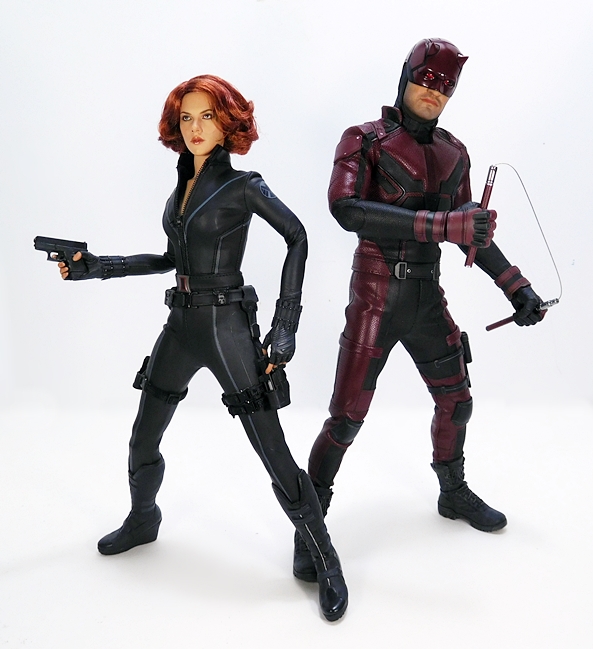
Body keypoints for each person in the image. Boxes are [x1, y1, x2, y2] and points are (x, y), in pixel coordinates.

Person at [56, 75, 347, 622]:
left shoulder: (243, 186)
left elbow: (298, 235)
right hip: (181, 325)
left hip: (227, 326)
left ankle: (324, 557)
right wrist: (99, 267)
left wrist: (286, 323)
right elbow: (171, 260)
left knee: (271, 449)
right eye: (186, 117)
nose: (195, 127)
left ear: (227, 122)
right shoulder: (180, 192)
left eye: (207, 116)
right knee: (144, 434)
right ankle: (144, 518)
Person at [293, 39, 545, 581]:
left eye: (447, 85)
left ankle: (452, 492)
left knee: (457, 402)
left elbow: (469, 231)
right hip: (375, 297)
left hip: (427, 298)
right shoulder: (364, 139)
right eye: (428, 79)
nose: (436, 91)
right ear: (406, 76)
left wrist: (515, 285)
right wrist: (443, 224)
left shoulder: (455, 153)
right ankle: (309, 524)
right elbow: (346, 209)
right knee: (345, 418)